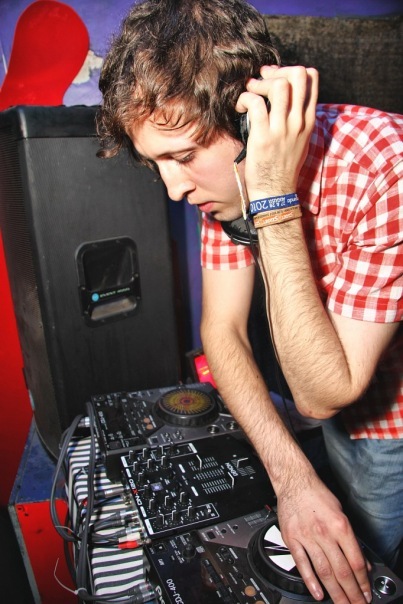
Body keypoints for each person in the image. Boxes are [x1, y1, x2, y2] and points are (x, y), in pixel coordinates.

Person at [96, 0, 403, 601]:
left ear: (248, 126)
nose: (174, 188)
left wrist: (271, 195)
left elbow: (323, 392)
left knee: (366, 564)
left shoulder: (386, 166)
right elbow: (223, 330)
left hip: (388, 422)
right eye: (157, 163)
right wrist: (293, 479)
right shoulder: (220, 185)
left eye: (184, 156)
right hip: (330, 400)